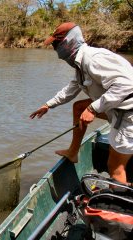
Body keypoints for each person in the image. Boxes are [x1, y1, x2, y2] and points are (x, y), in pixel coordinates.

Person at [29, 22, 133, 185]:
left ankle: (119, 203)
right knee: (79, 108)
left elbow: (126, 85)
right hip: (117, 109)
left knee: (115, 167)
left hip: (128, 115)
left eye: (57, 44)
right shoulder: (81, 64)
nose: (56, 49)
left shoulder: (93, 59)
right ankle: (73, 152)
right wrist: (48, 105)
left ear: (69, 42)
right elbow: (72, 88)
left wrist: (92, 109)